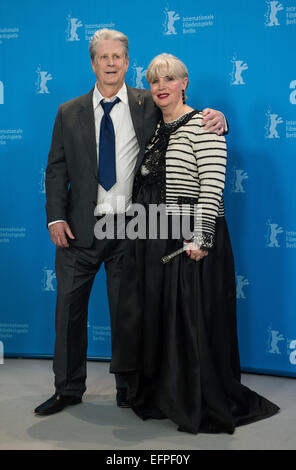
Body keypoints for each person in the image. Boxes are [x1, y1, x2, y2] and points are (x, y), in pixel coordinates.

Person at [34, 29, 227, 416]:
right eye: (103, 57)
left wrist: (217, 117)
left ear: (127, 62)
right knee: (68, 312)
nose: (110, 63)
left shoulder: (147, 102)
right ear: (93, 63)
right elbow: (55, 168)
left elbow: (184, 119)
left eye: (117, 57)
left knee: (130, 312)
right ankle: (68, 389)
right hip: (78, 230)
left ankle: (130, 388)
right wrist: (55, 216)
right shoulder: (68, 111)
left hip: (132, 229)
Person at [110, 53, 279, 434]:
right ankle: (162, 391)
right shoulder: (155, 127)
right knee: (159, 316)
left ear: (184, 82)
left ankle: (193, 395)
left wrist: (201, 236)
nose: (161, 87)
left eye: (169, 79)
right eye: (155, 81)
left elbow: (212, 186)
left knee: (189, 320)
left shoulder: (204, 124)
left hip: (188, 235)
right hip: (152, 234)